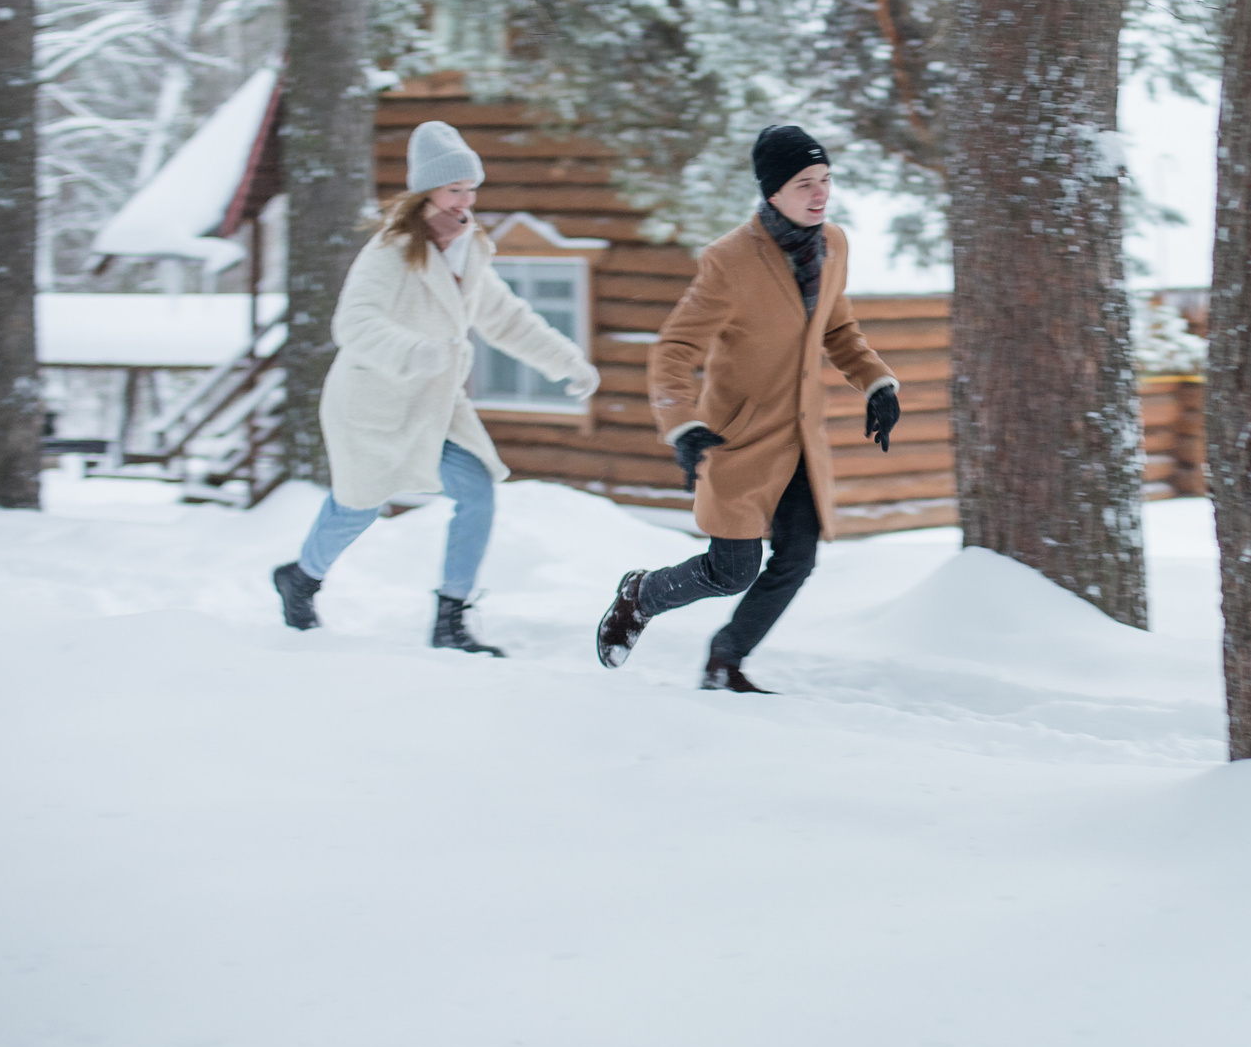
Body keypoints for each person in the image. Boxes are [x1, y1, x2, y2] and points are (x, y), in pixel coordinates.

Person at [270, 120, 600, 655]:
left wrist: (567, 361)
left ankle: (451, 620)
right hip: (372, 401)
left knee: (477, 491)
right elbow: (352, 323)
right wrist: (411, 350)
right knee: (356, 507)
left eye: (471, 189)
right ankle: (301, 580)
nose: (465, 201)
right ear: (427, 192)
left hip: (436, 404)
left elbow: (507, 320)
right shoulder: (390, 251)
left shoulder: (470, 251)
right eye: (454, 190)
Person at [594, 124, 900, 692]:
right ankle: (640, 595)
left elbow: (838, 328)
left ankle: (725, 660)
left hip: (802, 442)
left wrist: (876, 382)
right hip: (740, 439)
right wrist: (682, 424)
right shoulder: (730, 262)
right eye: (805, 182)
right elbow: (675, 350)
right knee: (730, 572)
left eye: (826, 180)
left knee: (796, 559)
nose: (820, 193)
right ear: (772, 191)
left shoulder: (833, 245)